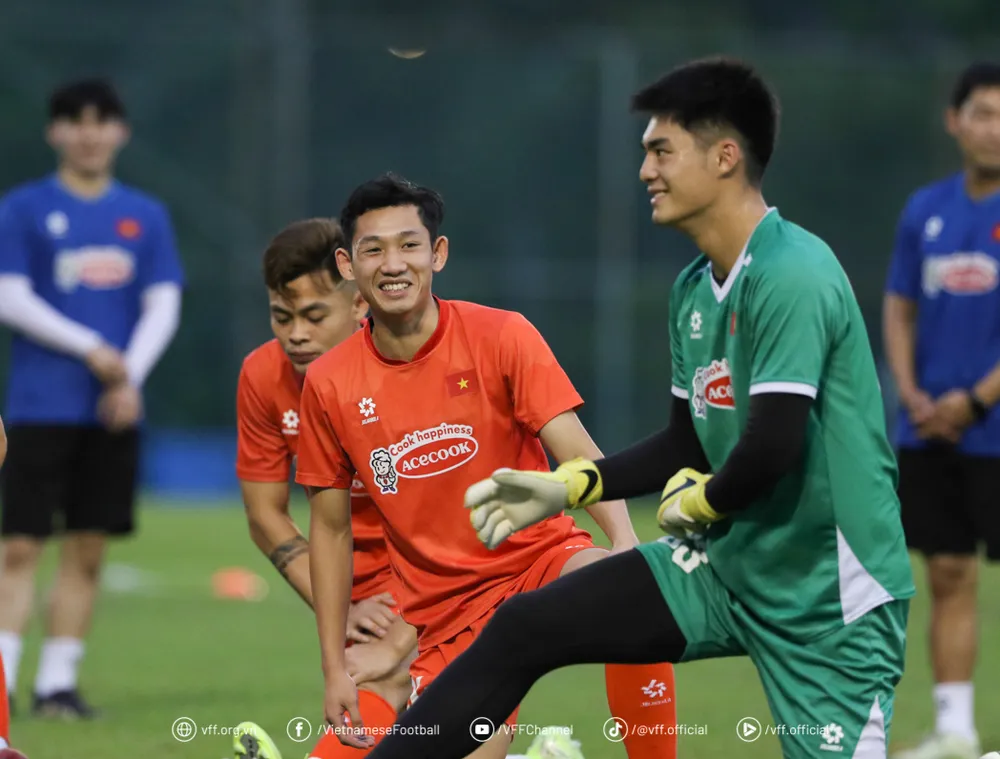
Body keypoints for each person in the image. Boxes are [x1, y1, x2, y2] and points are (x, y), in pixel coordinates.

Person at [356, 57, 917, 759]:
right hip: (726, 572)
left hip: (829, 599)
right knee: (525, 627)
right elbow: (685, 441)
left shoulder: (793, 274)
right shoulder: (693, 289)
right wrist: (567, 484)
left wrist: (705, 502)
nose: (646, 170)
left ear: (724, 156)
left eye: (661, 150)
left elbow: (775, 447)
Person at [295, 173, 679, 759]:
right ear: (349, 265)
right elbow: (328, 526)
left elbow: (575, 451)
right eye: (374, 249)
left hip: (541, 562)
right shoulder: (328, 384)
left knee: (638, 600)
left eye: (409, 245)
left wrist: (625, 540)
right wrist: (333, 669)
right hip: (446, 615)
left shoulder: (502, 335)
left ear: (437, 254)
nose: (392, 264)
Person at [0, 78, 184, 718]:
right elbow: (11, 296)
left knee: (88, 547)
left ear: (120, 132)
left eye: (101, 121)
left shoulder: (145, 215)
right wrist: (92, 350)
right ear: (55, 131)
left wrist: (126, 376)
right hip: (38, 405)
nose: (88, 133)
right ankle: (2, 685)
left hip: (113, 409)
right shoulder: (23, 208)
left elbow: (163, 303)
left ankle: (57, 686)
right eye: (75, 121)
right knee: (19, 545)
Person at [230, 218, 417, 759]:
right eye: (280, 316)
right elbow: (265, 515)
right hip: (351, 580)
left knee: (399, 691)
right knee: (398, 711)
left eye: (314, 315)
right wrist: (343, 607)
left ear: (360, 305)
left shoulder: (409, 367)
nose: (295, 334)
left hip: (442, 568)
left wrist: (405, 626)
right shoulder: (263, 376)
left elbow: (457, 519)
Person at [883, 61, 1000, 759]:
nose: (996, 128)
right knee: (947, 571)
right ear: (954, 121)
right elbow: (899, 306)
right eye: (983, 112)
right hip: (930, 431)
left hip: (991, 423)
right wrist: (913, 391)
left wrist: (976, 398)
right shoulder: (924, 209)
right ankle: (956, 732)